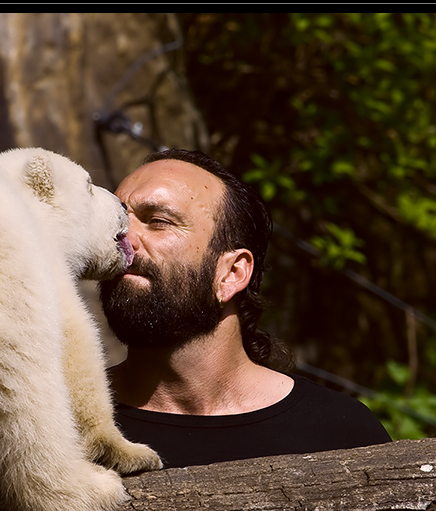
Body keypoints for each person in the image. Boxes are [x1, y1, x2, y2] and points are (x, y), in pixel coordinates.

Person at [97, 148, 391, 468]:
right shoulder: (56, 425)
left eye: (158, 221)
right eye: (118, 220)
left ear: (232, 274)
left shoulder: (338, 433)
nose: (123, 238)